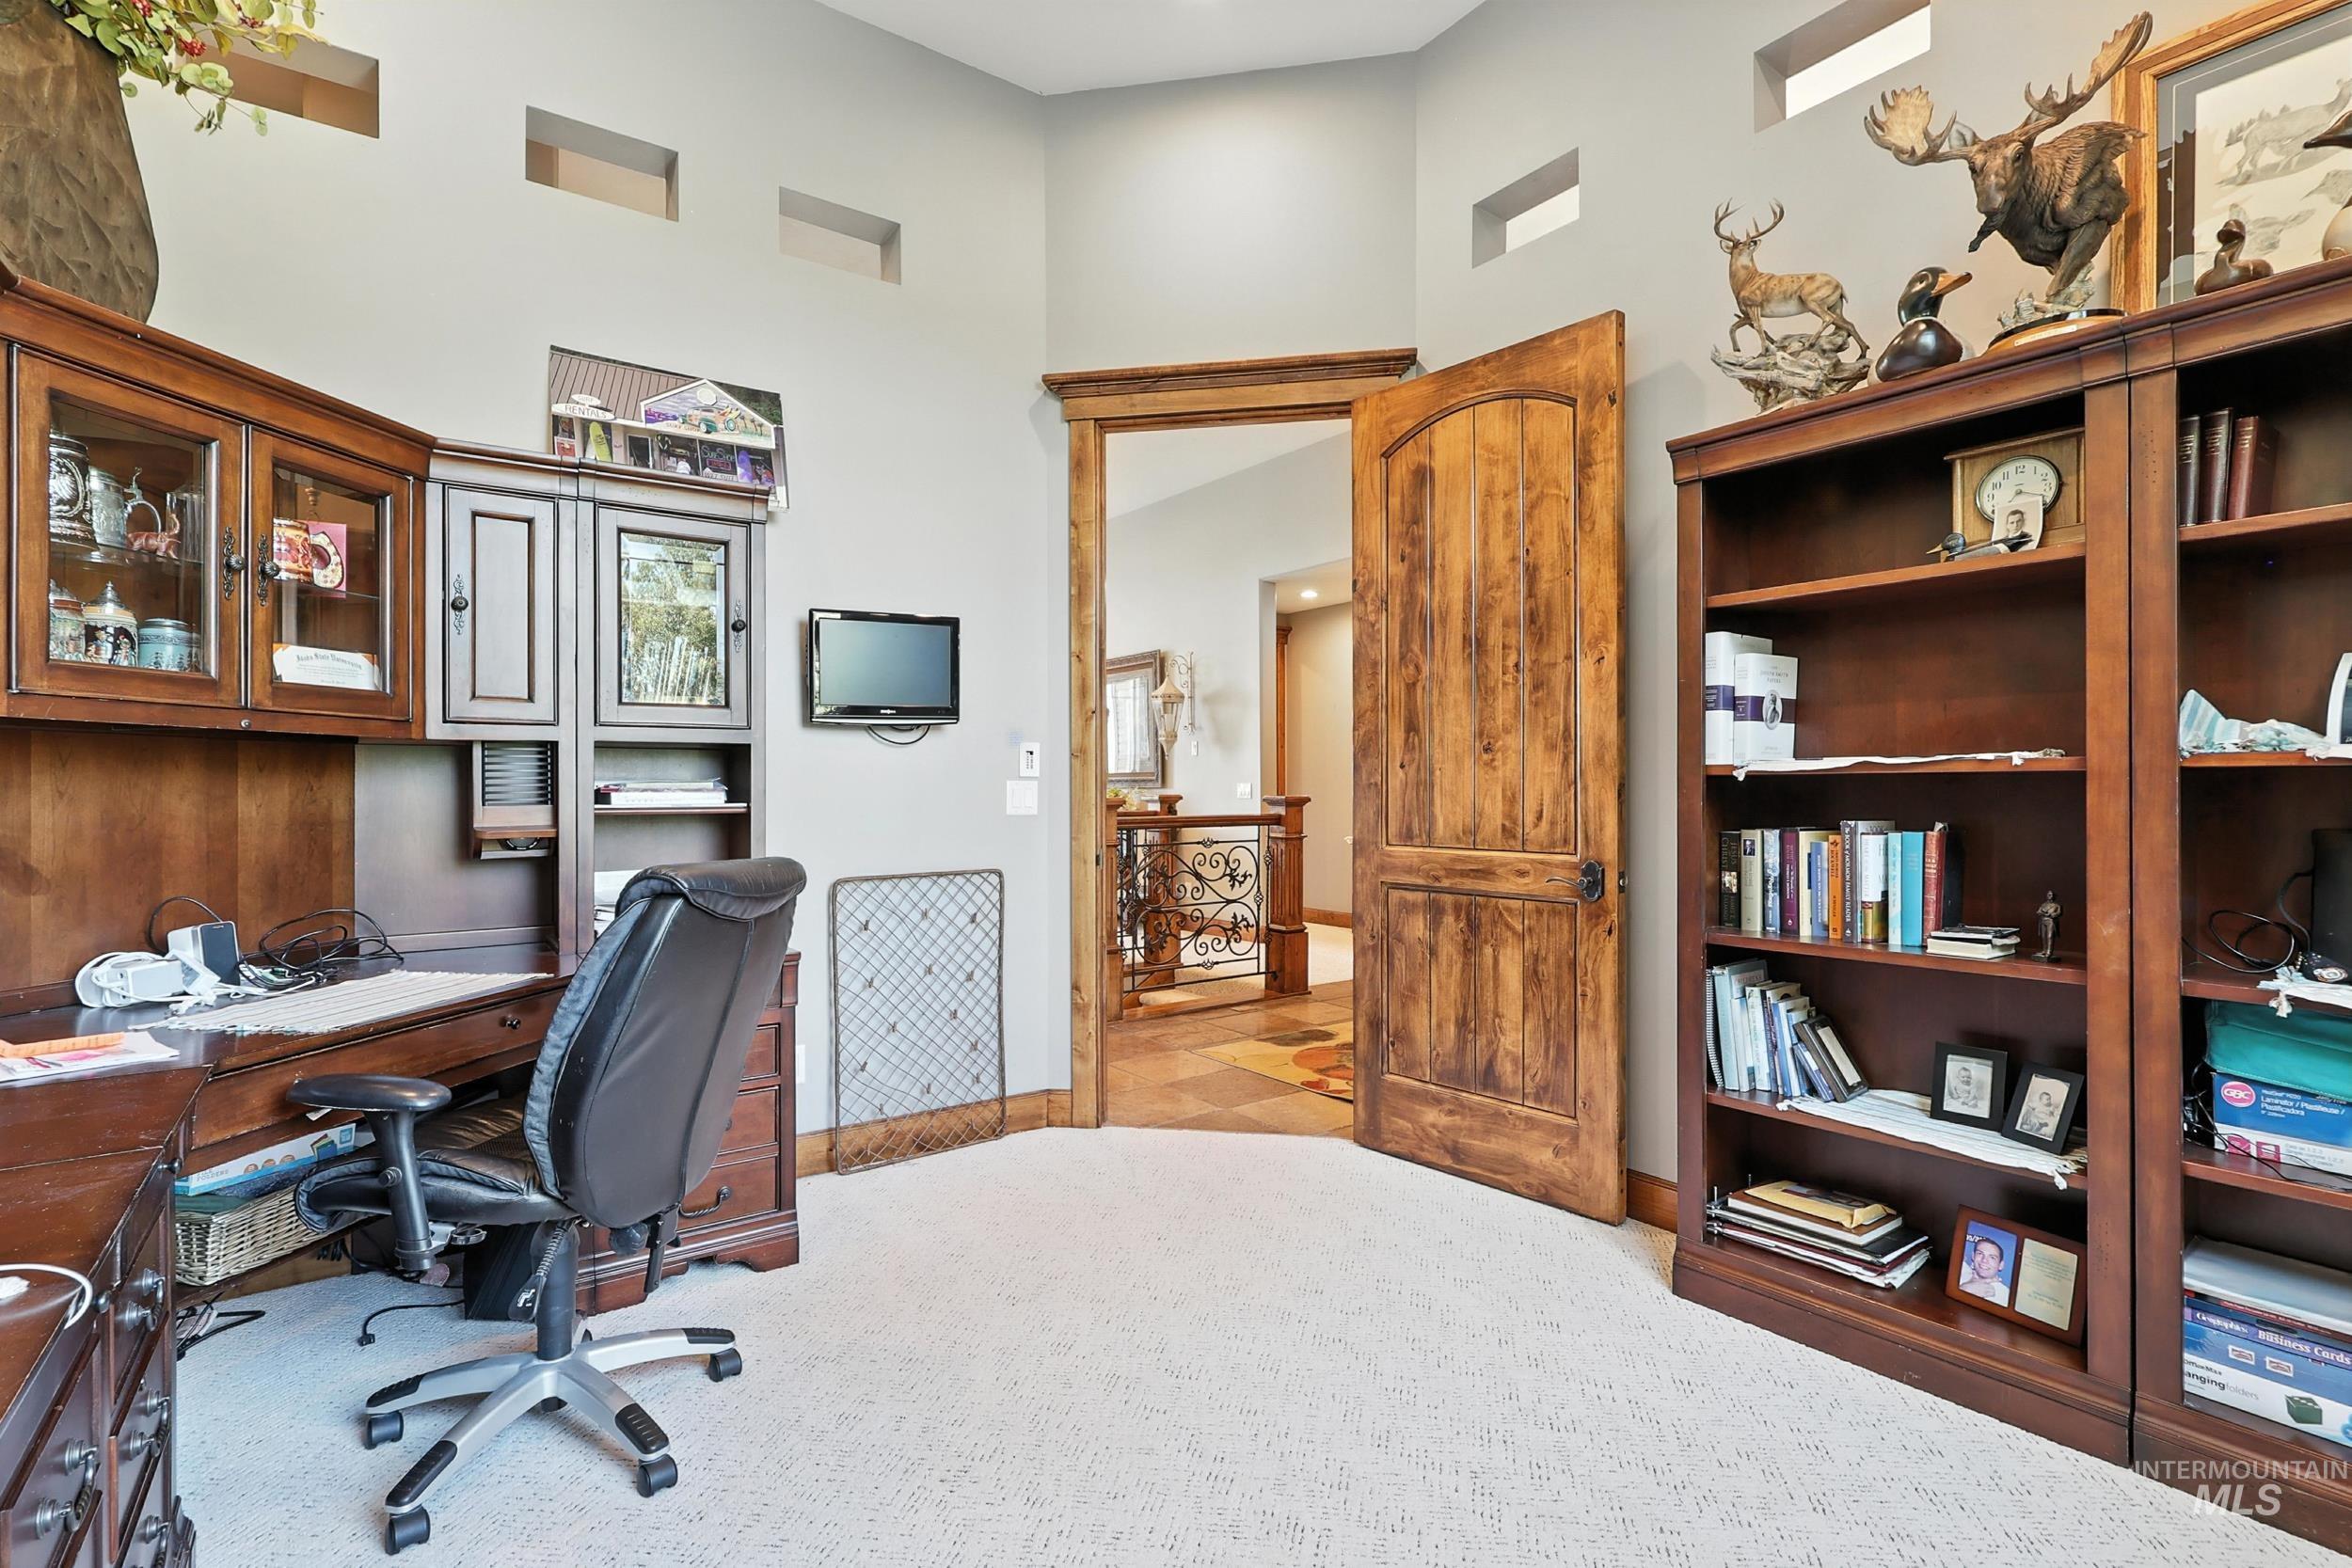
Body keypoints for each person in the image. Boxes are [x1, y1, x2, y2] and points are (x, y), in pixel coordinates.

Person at [1959, 1233, 2010, 1305]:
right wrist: (1964, 1289)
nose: (1984, 1260)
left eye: (1992, 1257)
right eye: (1980, 1253)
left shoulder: (2003, 1295)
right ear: (1973, 1256)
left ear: (2001, 1265)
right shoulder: (1961, 1271)